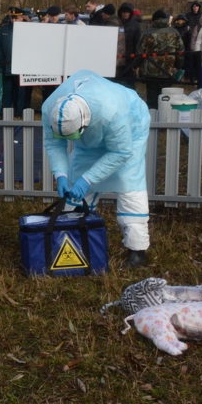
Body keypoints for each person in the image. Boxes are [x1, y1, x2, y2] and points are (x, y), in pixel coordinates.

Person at [42, 70, 151, 268]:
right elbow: (53, 143)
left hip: (130, 130)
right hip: (90, 138)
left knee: (128, 182)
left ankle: (137, 250)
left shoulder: (113, 113)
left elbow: (121, 152)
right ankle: (76, 235)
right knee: (78, 177)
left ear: (83, 124)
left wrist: (88, 179)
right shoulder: (50, 107)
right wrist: (61, 175)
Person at [137, 9, 184, 109]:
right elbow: (181, 51)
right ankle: (165, 120)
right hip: (168, 71)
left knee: (152, 100)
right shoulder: (174, 32)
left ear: (154, 20)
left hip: (150, 72)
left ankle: (152, 121)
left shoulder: (147, 33)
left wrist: (135, 66)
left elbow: (140, 52)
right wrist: (179, 66)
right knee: (166, 99)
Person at [0, 6, 27, 115]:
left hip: (22, 67)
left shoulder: (28, 29)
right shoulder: (5, 29)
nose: (13, 20)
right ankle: (6, 112)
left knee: (20, 92)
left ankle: (18, 112)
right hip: (7, 66)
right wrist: (1, 60)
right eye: (12, 17)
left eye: (16, 18)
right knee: (7, 91)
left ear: (22, 17)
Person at [115, 2, 141, 89]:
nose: (125, 14)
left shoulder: (135, 25)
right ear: (120, 12)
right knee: (117, 83)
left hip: (130, 59)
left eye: (127, 12)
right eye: (124, 12)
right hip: (116, 59)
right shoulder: (116, 23)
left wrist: (136, 62)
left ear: (130, 13)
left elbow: (137, 44)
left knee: (130, 84)